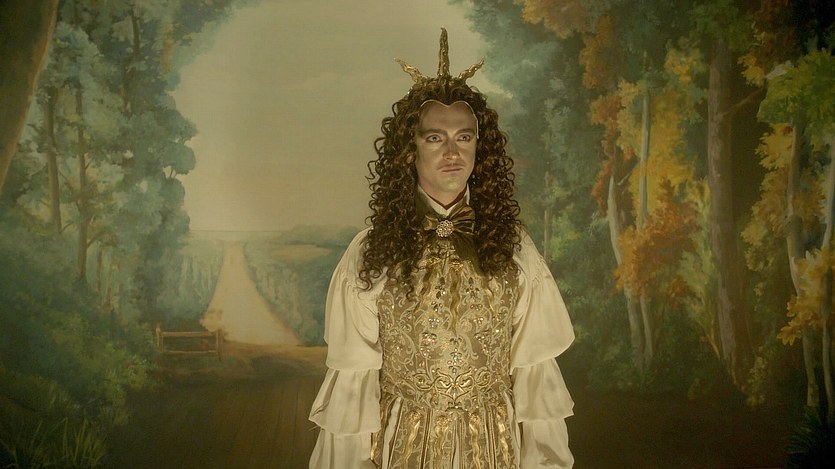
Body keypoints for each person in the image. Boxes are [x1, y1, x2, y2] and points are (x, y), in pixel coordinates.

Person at [308, 29, 574, 469]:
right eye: (435, 138)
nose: (452, 151)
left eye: (464, 137)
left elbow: (536, 372)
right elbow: (353, 386)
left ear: (479, 147)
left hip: (495, 450)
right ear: (408, 150)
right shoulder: (372, 252)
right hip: (400, 449)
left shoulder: (514, 247)